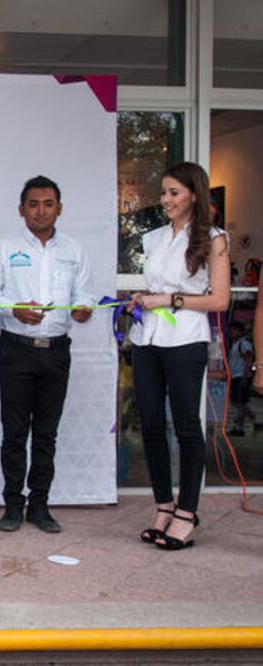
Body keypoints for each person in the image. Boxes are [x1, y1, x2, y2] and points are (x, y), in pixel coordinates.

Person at [0, 175, 95, 534]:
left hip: (56, 351)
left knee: (46, 434)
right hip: (16, 349)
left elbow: (86, 294)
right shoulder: (4, 247)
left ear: (59, 209)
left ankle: (40, 506)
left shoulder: (74, 250)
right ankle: (13, 505)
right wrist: (12, 308)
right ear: (21, 209)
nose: (40, 211)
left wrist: (83, 309)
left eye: (48, 204)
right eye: (33, 204)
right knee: (14, 432)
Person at [129, 162, 230, 550]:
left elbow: (219, 299)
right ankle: (164, 506)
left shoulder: (214, 238)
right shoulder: (153, 238)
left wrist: (169, 299)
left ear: (193, 194)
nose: (165, 200)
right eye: (164, 193)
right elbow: (153, 286)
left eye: (174, 193)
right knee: (151, 423)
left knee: (187, 425)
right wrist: (142, 300)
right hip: (147, 339)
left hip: (185, 341)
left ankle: (187, 512)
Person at [226, 321, 254, 436]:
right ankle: (251, 418)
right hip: (235, 376)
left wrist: (245, 376)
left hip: (240, 376)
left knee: (239, 402)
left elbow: (248, 359)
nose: (231, 333)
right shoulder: (235, 345)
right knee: (236, 402)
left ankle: (239, 427)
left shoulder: (244, 344)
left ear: (240, 332)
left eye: (234, 330)